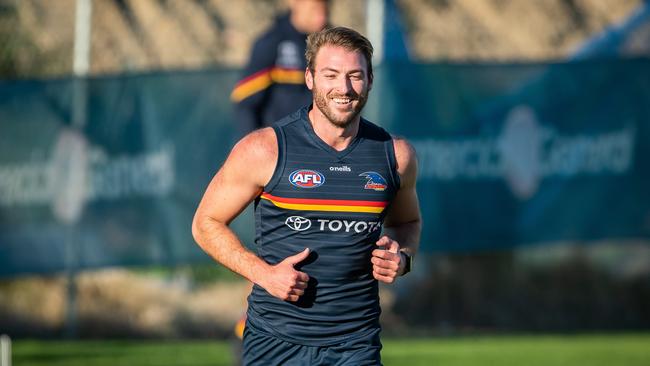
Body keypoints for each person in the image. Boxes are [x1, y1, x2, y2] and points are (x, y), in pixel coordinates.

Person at [193, 26, 421, 365]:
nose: (343, 88)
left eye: (355, 75)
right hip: (275, 343)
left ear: (370, 80)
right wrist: (263, 274)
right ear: (310, 78)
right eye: (331, 75)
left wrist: (401, 257)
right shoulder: (264, 149)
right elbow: (205, 224)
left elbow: (408, 222)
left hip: (356, 345)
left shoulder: (395, 155)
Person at [230, 0, 329, 137]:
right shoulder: (271, 42)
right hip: (282, 146)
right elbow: (246, 104)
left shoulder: (332, 44)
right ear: (295, 3)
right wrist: (258, 145)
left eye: (325, 10)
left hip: (324, 146)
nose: (322, 17)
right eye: (314, 9)